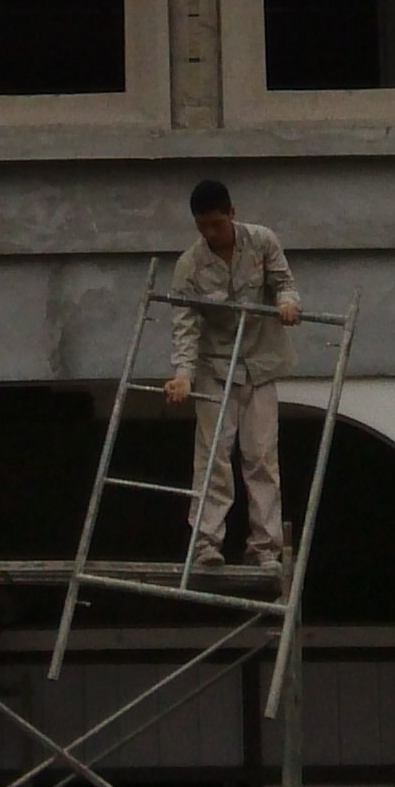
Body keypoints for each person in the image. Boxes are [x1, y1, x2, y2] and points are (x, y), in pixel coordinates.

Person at [163, 176, 300, 580]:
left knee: (260, 457)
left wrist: (288, 303)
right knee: (213, 457)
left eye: (216, 224)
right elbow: (184, 325)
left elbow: (284, 283)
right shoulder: (189, 265)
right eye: (202, 226)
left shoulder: (262, 242)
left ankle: (264, 547)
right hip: (215, 368)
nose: (210, 233)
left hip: (259, 364)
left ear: (232, 214)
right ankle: (206, 542)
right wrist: (183, 375)